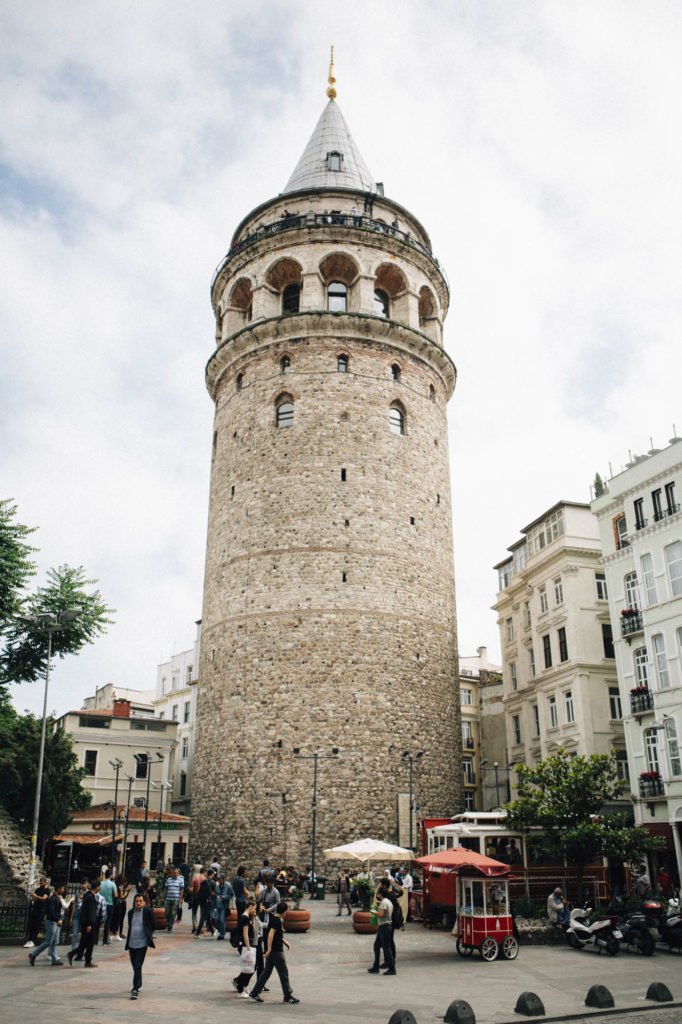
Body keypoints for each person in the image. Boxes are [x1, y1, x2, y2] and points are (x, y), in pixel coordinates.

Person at [249, 901, 300, 1003]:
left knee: (266, 973)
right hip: (276, 951)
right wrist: (269, 950)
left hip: (273, 951)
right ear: (284, 912)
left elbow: (276, 935)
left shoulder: (273, 918)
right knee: (284, 973)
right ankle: (288, 995)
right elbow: (271, 935)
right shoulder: (277, 920)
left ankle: (254, 993)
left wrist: (285, 942)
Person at [125, 892, 156, 1000]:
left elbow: (153, 924)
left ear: (144, 902)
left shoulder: (147, 912)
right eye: (136, 901)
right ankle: (139, 982)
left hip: (142, 944)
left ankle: (135, 989)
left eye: (140, 901)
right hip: (131, 943)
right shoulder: (130, 913)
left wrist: (149, 935)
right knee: (135, 966)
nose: (138, 903)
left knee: (138, 965)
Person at [29, 884, 65, 966]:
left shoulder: (58, 897)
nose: (63, 890)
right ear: (59, 889)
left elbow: (60, 910)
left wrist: (60, 919)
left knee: (55, 941)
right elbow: (51, 912)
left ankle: (54, 959)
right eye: (62, 888)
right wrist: (58, 919)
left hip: (57, 922)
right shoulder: (53, 899)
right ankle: (34, 954)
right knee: (48, 941)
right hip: (52, 922)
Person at [69, 879, 100, 967]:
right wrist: (89, 924)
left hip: (87, 923)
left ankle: (74, 954)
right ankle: (87, 960)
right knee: (89, 943)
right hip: (89, 924)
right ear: (97, 887)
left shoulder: (88, 895)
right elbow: (90, 912)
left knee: (84, 943)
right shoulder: (90, 897)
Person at [367, 881, 396, 975]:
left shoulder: (384, 903)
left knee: (386, 948)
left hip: (385, 926)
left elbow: (381, 914)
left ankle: (392, 968)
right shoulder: (388, 902)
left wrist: (374, 912)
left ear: (380, 894)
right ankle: (376, 966)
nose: (377, 895)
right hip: (384, 927)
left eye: (378, 893)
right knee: (377, 946)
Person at [233, 899, 258, 996]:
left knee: (250, 966)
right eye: (254, 908)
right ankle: (240, 986)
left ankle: (242, 984)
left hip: (245, 944)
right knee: (248, 966)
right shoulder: (245, 918)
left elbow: (254, 930)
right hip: (245, 945)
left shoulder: (247, 917)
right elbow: (245, 934)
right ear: (250, 906)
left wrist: (254, 918)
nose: (254, 910)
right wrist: (248, 947)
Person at [25, 877, 50, 948]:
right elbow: (34, 898)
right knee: (31, 925)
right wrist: (34, 896)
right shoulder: (37, 889)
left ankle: (33, 940)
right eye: (40, 882)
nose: (41, 883)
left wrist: (36, 896)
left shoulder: (47, 890)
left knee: (37, 925)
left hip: (41, 910)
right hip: (35, 908)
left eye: (42, 882)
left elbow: (44, 898)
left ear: (45, 883)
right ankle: (29, 940)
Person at [99, 870, 118, 944]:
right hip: (109, 904)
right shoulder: (112, 884)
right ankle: (105, 940)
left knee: (99, 921)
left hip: (101, 904)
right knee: (107, 922)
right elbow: (116, 895)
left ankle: (94, 940)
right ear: (110, 875)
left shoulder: (101, 883)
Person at [164, 867, 184, 933]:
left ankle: (170, 927)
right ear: (172, 873)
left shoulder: (181, 880)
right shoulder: (168, 879)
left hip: (176, 899)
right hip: (168, 899)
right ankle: (169, 923)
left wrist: (180, 898)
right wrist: (164, 896)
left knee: (173, 913)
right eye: (174, 873)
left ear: (178, 874)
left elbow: (181, 890)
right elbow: (166, 888)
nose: (175, 874)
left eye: (176, 873)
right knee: (167, 913)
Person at [214, 873, 234, 940]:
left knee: (222, 920)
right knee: (216, 919)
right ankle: (221, 930)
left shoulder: (228, 886)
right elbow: (216, 894)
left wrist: (225, 897)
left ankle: (222, 935)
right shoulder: (217, 886)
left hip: (224, 906)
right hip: (218, 905)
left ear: (223, 879)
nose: (219, 880)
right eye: (218, 879)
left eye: (220, 879)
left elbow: (231, 895)